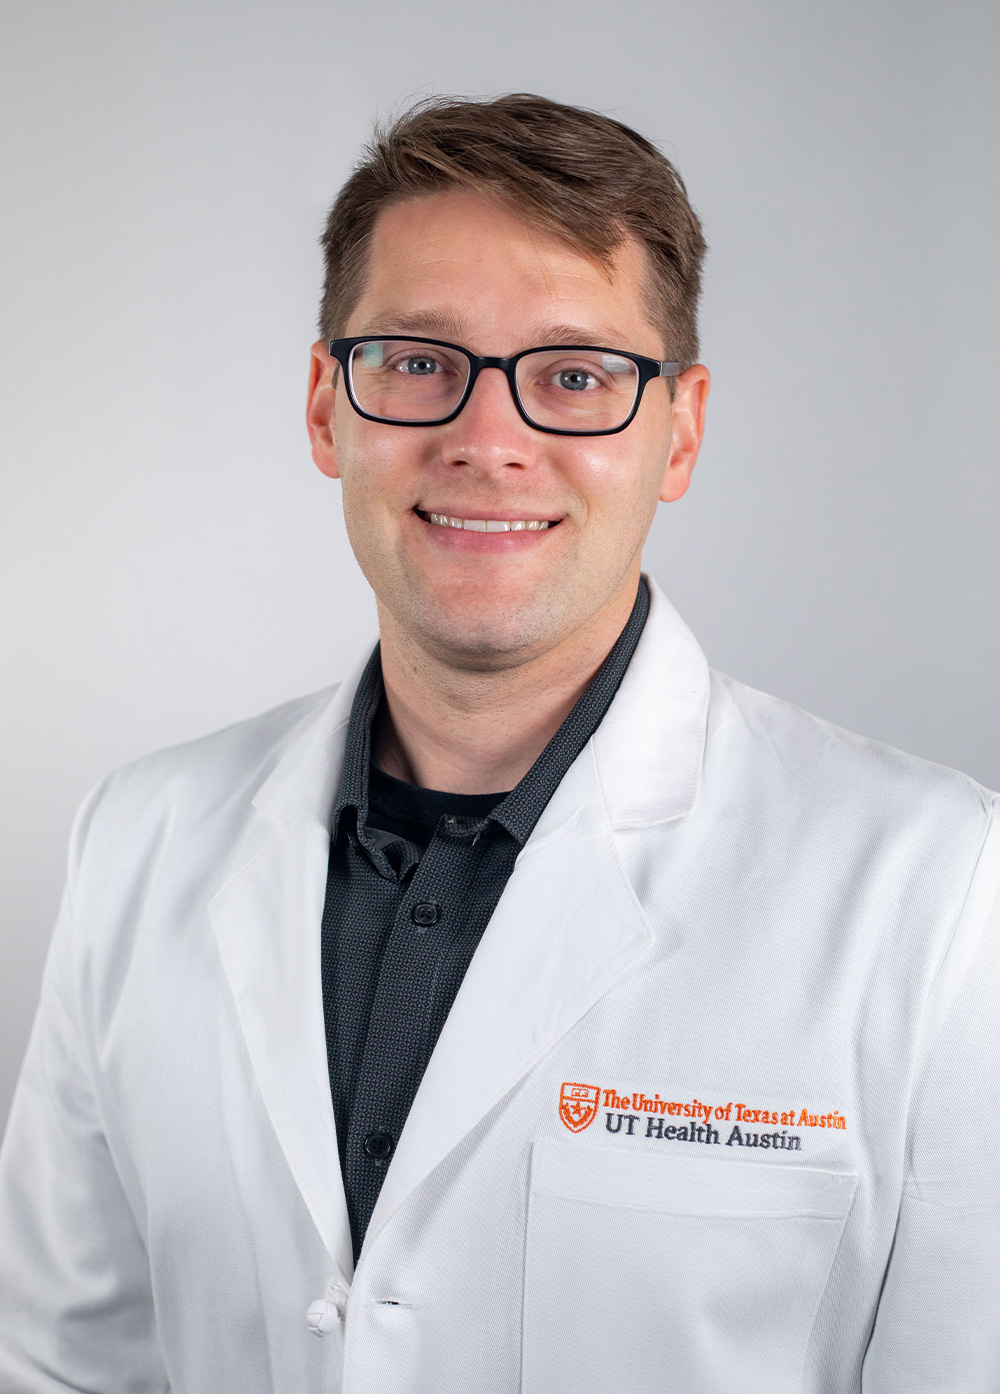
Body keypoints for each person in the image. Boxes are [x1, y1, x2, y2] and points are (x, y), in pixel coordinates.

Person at [1, 92, 998, 1394]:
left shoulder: (939, 893)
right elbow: (62, 1364)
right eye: (419, 359)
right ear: (325, 406)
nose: (488, 439)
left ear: (679, 429)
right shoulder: (138, 837)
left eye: (575, 375)